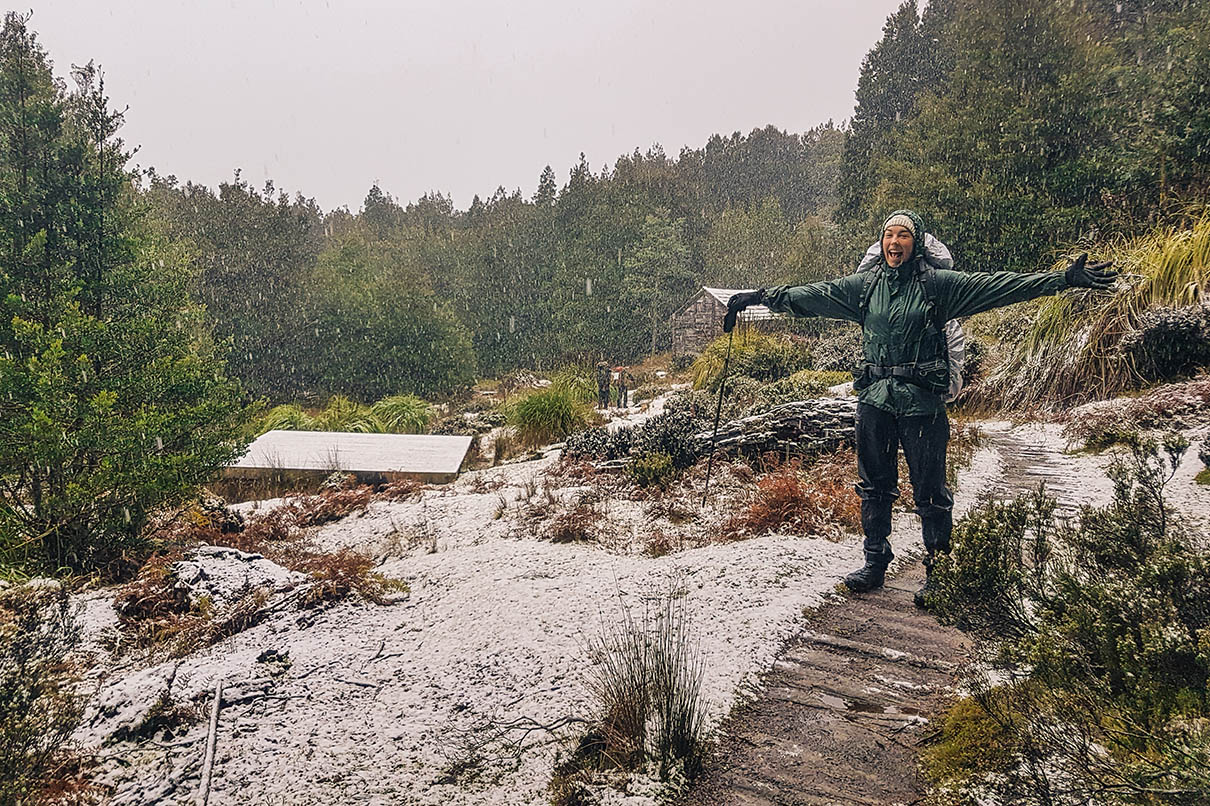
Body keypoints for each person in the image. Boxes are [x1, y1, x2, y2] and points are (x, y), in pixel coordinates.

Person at [724, 210, 1114, 607]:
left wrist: (1061, 280)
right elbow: (812, 295)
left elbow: (998, 286)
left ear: (917, 243)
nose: (895, 243)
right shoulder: (865, 287)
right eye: (888, 235)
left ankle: (939, 573)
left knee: (929, 490)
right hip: (874, 400)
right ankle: (875, 562)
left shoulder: (938, 286)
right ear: (880, 243)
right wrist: (760, 298)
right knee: (874, 487)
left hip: (922, 404)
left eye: (903, 236)